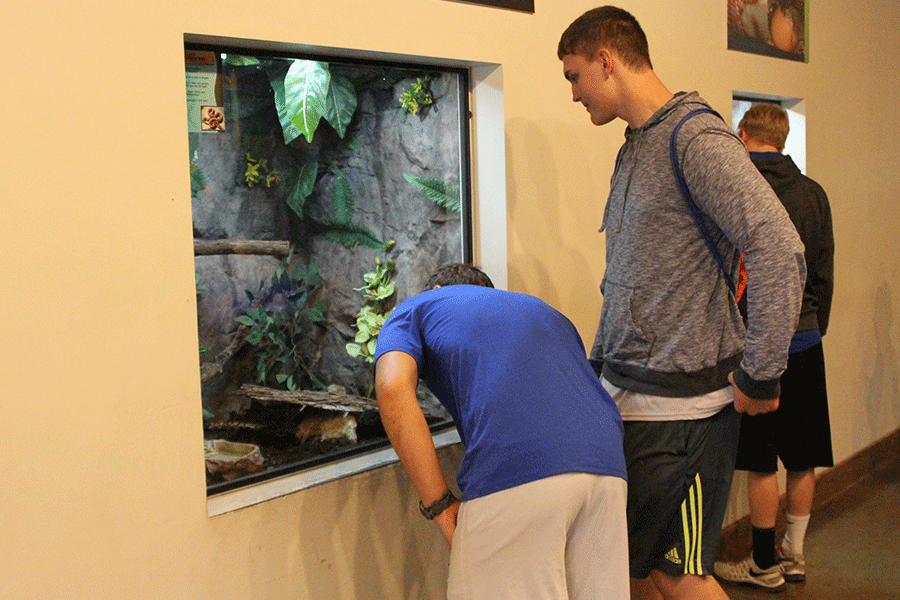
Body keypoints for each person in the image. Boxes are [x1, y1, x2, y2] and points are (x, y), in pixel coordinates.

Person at [557, 7, 806, 600]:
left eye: (573, 76)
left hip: (686, 418)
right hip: (633, 401)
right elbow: (628, 276)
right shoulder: (636, 144)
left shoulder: (696, 137)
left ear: (606, 61)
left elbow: (778, 246)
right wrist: (597, 370)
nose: (572, 93)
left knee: (678, 574)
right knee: (633, 565)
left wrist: (762, 372)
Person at [374, 263, 630, 600]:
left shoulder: (417, 307)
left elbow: (391, 386)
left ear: (436, 291)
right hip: (608, 466)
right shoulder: (546, 312)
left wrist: (439, 503)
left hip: (520, 468)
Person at [714, 103, 834, 591]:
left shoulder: (737, 192)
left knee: (761, 458)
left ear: (742, 134)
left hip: (753, 341)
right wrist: (813, 327)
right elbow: (823, 272)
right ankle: (795, 553)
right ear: (782, 138)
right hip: (804, 338)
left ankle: (763, 562)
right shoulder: (813, 194)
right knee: (802, 453)